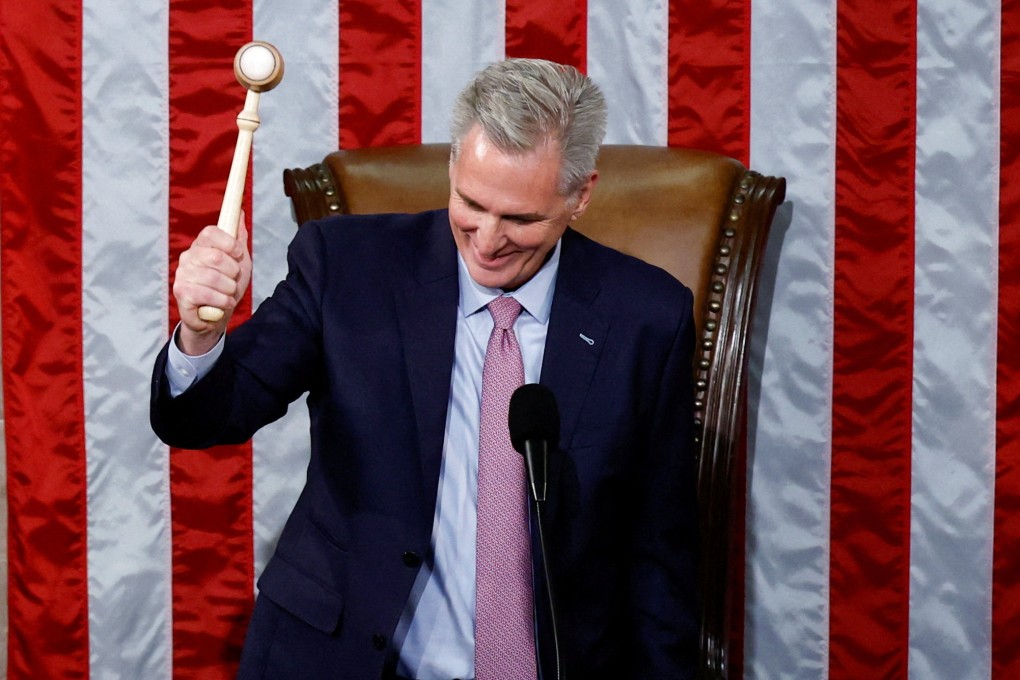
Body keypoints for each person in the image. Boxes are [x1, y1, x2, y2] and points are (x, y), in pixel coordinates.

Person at [151, 58, 699, 679]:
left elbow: (661, 555)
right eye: (470, 203)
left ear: (580, 195)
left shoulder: (647, 317)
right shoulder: (350, 266)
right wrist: (200, 331)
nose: (487, 239)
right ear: (452, 169)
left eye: (520, 219)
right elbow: (206, 415)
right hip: (343, 658)